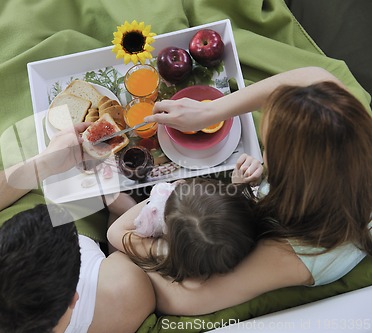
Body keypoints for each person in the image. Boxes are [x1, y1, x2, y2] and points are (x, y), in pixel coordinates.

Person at [109, 66, 372, 316]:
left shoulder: (299, 253)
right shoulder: (350, 131)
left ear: (292, 183)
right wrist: (211, 112)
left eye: (267, 148)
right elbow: (312, 76)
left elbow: (187, 298)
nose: (264, 155)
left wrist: (151, 234)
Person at [0, 123, 155, 333]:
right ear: (73, 299)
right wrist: (117, 207)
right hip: (90, 200)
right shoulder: (124, 299)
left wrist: (43, 164)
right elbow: (120, 238)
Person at [107, 177, 259, 283]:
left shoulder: (165, 252)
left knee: (114, 203)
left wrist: (160, 197)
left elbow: (114, 232)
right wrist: (237, 184)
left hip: (127, 267)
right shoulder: (232, 239)